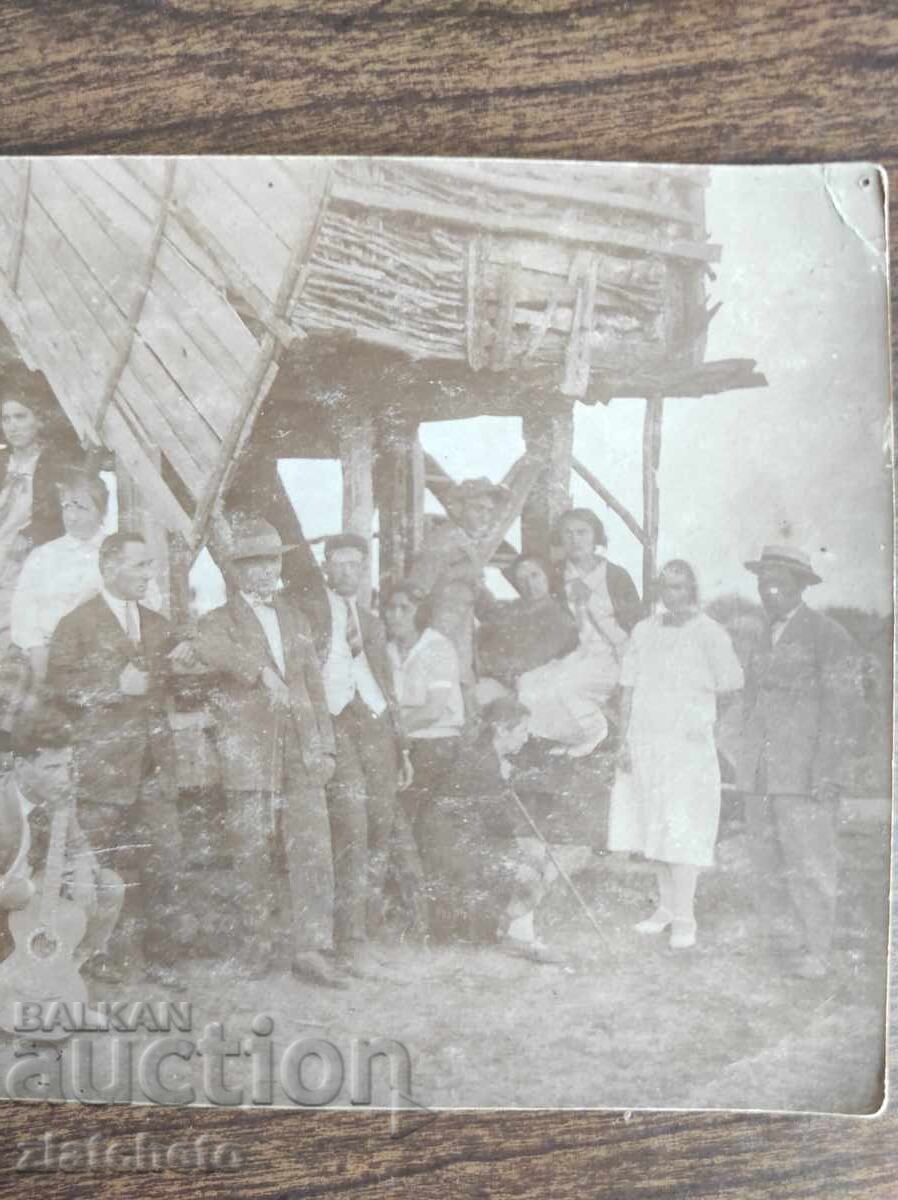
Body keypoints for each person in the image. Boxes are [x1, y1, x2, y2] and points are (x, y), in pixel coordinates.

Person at [194, 516, 343, 989]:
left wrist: (326, 747)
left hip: (302, 751)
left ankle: (312, 949)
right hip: (249, 756)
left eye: (270, 562)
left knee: (313, 850)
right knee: (251, 853)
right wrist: (261, 671)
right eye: (252, 563)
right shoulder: (216, 623)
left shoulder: (295, 616)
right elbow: (210, 648)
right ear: (235, 570)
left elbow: (314, 688)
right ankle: (255, 946)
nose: (263, 572)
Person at [45, 532, 185, 991]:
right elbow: (60, 686)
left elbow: (176, 685)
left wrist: (188, 664)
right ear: (109, 568)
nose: (149, 573)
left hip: (152, 768)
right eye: (140, 565)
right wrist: (112, 685)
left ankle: (163, 959)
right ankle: (87, 960)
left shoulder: (160, 625)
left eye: (149, 565)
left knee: (164, 862)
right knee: (95, 870)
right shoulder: (75, 623)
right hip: (102, 770)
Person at [738, 544, 861, 980]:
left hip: (807, 773)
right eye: (763, 582)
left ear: (801, 586)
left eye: (780, 583)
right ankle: (784, 944)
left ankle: (818, 950)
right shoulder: (759, 633)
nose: (770, 590)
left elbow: (844, 708)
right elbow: (750, 700)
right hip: (761, 772)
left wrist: (829, 771)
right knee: (767, 862)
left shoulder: (828, 634)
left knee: (810, 863)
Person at [609, 560, 743, 950]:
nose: (673, 595)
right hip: (645, 741)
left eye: (681, 587)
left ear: (693, 590)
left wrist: (706, 727)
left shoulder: (710, 632)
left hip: (687, 748)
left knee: (682, 827)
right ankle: (666, 908)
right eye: (666, 588)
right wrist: (623, 742)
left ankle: (686, 916)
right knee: (654, 823)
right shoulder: (643, 631)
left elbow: (732, 685)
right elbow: (628, 690)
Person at [319, 533, 419, 976]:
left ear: (364, 571)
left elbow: (386, 686)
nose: (347, 573)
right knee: (352, 831)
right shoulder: (311, 616)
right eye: (339, 564)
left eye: (356, 565)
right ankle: (349, 941)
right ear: (326, 568)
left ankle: (369, 930)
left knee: (379, 827)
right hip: (337, 726)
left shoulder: (372, 623)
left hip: (376, 727)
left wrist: (402, 748)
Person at [0, 705, 125, 986]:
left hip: (34, 896)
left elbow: (78, 843)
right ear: (21, 766)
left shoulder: (59, 792)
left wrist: (82, 868)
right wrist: (36, 887)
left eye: (67, 766)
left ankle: (75, 963)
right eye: (52, 767)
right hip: (8, 904)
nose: (64, 778)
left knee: (108, 886)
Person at [0, 364, 81, 655]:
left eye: (21, 417)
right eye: (6, 418)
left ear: (39, 420)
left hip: (23, 560)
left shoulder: (54, 463)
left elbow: (60, 519)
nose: (12, 426)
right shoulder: (1, 462)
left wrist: (29, 537)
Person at [406, 477, 508, 697]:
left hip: (458, 643)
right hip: (439, 642)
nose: (485, 516)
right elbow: (415, 593)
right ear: (459, 508)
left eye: (490, 511)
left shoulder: (466, 543)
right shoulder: (442, 543)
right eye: (478, 508)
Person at [10, 469, 109, 683]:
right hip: (42, 655)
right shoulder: (43, 555)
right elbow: (22, 609)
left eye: (81, 507)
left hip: (96, 660)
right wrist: (35, 647)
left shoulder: (116, 553)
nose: (72, 517)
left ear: (102, 511)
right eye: (66, 507)